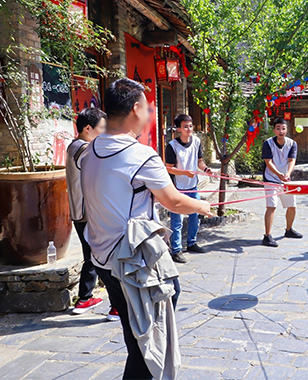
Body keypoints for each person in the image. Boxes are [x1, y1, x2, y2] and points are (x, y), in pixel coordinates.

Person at [80, 78, 212, 379]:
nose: (150, 113)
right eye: (148, 107)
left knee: (136, 334)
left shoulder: (90, 150)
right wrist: (201, 206)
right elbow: (174, 201)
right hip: (129, 263)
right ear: (136, 108)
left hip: (102, 258)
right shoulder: (141, 154)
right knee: (148, 341)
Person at [66, 107, 119, 320]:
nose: (105, 133)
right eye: (102, 128)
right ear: (88, 128)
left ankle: (85, 298)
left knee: (92, 257)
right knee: (105, 259)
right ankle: (117, 306)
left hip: (81, 213)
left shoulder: (74, 146)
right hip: (91, 213)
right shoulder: (86, 150)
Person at [165, 114, 212, 263]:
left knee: (195, 215)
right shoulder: (172, 146)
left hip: (193, 187)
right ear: (178, 129)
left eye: (190, 126)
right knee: (177, 220)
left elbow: (199, 161)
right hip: (177, 188)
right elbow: (168, 169)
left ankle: (191, 242)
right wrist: (184, 172)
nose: (189, 129)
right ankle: (176, 250)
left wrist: (206, 169)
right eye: (185, 126)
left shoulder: (197, 141)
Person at [261, 118, 303, 247]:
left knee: (292, 206)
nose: (281, 131)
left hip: (286, 180)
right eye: (278, 128)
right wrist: (279, 175)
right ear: (274, 130)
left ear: (286, 130)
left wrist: (287, 174)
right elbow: (268, 162)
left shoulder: (292, 143)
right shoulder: (268, 143)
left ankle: (289, 230)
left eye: (283, 128)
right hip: (271, 179)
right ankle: (267, 236)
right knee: (271, 206)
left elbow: (292, 160)